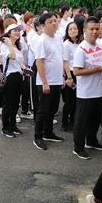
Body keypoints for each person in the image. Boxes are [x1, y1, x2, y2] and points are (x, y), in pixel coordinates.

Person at [72, 17, 102, 160]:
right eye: (91, 29)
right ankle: (78, 147)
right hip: (86, 93)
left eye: (97, 29)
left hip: (98, 90)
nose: (95, 31)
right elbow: (76, 71)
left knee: (95, 119)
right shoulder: (81, 49)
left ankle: (92, 141)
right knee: (82, 121)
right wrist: (98, 69)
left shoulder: (100, 46)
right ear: (84, 31)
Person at [34, 12, 65, 150]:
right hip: (46, 81)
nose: (54, 23)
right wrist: (44, 82)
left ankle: (48, 132)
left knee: (53, 109)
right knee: (43, 110)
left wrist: (63, 77)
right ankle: (38, 136)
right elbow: (39, 62)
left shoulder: (58, 38)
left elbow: (60, 58)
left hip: (57, 80)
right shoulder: (42, 40)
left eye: (55, 21)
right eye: (50, 21)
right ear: (43, 25)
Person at [0, 23, 26, 138]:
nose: (17, 32)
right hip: (10, 77)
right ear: (9, 33)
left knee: (16, 103)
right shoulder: (4, 46)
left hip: (19, 76)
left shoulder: (18, 46)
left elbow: (21, 63)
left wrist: (25, 69)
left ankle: (13, 125)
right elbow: (12, 56)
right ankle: (5, 127)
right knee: (9, 103)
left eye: (18, 30)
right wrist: (10, 44)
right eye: (14, 30)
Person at [61, 21, 82, 131]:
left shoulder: (80, 43)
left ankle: (73, 121)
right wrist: (69, 77)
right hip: (70, 74)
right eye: (70, 29)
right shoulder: (66, 44)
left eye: (75, 28)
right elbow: (65, 62)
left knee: (76, 100)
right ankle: (65, 123)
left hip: (80, 74)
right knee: (69, 101)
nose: (73, 31)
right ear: (67, 31)